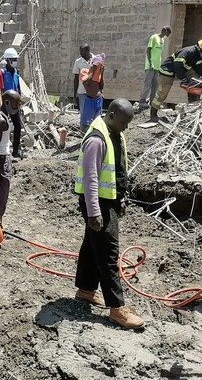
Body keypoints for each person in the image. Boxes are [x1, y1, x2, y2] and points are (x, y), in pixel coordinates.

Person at [73, 99, 144, 329]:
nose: (126, 127)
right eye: (124, 122)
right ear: (111, 115)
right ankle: (117, 308)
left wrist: (120, 198)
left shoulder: (114, 133)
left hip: (108, 201)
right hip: (97, 204)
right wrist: (94, 213)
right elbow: (91, 178)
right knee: (108, 254)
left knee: (91, 246)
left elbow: (116, 171)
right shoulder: (96, 139)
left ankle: (86, 290)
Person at [149, 37, 202, 122]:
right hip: (167, 71)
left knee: (195, 78)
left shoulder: (197, 56)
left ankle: (193, 101)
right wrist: (183, 78)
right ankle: (153, 115)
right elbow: (177, 64)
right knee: (162, 94)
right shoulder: (189, 51)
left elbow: (199, 67)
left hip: (178, 70)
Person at [0, 90, 21, 224]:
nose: (18, 107)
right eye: (16, 104)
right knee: (0, 196)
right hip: (0, 161)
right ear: (7, 102)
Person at [137, 26, 171, 111]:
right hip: (150, 65)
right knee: (147, 83)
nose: (167, 36)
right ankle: (142, 100)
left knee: (155, 84)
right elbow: (148, 50)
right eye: (167, 34)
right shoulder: (154, 37)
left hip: (157, 66)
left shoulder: (162, 40)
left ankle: (152, 100)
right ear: (164, 31)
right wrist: (151, 62)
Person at [0, 48, 25, 159]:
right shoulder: (1, 73)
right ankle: (2, 150)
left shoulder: (16, 72)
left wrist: (19, 102)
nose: (15, 61)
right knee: (3, 126)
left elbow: (18, 87)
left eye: (16, 59)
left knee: (17, 126)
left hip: (14, 103)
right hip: (4, 104)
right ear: (8, 60)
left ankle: (15, 150)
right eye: (13, 59)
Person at [80, 53, 106, 130]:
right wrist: (93, 71)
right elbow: (86, 83)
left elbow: (101, 86)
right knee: (85, 123)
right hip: (89, 100)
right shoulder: (84, 72)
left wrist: (101, 73)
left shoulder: (97, 76)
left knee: (97, 122)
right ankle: (84, 138)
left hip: (98, 100)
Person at [72, 44, 93, 115]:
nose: (80, 53)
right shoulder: (78, 62)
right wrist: (74, 95)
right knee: (83, 113)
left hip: (94, 91)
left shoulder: (95, 60)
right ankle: (83, 126)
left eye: (82, 51)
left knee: (92, 113)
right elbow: (76, 79)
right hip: (82, 92)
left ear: (88, 51)